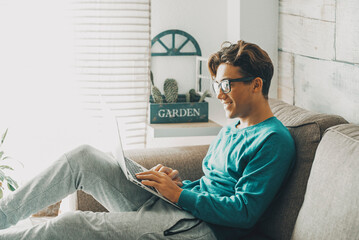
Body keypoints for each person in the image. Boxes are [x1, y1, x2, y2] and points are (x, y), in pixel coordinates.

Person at [0, 40, 295, 239]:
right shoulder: (232, 128)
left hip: (204, 229)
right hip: (184, 208)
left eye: (226, 85)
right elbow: (211, 186)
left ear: (256, 85)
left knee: (72, 225)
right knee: (83, 157)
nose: (218, 94)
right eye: (217, 84)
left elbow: (243, 212)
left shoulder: (273, 140)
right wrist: (177, 184)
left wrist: (179, 195)